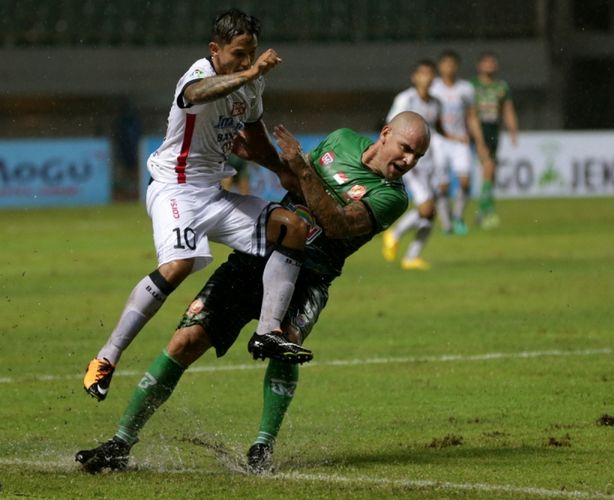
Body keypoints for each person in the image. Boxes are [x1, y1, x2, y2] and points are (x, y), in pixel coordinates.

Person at [75, 112, 431, 474]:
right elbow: (293, 180)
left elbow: (338, 225)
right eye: (406, 150)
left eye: (418, 157)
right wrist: (264, 158)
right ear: (385, 134)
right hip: (259, 255)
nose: (409, 162)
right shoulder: (341, 139)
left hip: (311, 278)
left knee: (285, 344)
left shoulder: (392, 197)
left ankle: (262, 448)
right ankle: (120, 443)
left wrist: (304, 171)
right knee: (185, 340)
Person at [83, 8, 312, 402]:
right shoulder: (199, 75)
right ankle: (106, 357)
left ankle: (267, 334)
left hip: (212, 193)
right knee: (179, 264)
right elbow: (195, 96)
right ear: (215, 50)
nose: (245, 60)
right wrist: (250, 73)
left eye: (251, 53)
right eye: (238, 53)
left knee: (292, 228)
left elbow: (255, 138)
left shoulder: (251, 85)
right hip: (174, 189)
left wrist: (280, 171)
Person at [382, 60, 445, 271]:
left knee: (431, 213)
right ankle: (395, 234)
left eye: (430, 74)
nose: (426, 78)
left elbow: (436, 132)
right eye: (422, 74)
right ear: (415, 77)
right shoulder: (405, 99)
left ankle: (412, 257)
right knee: (426, 208)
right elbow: (391, 127)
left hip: (430, 162)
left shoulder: (436, 103)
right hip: (410, 163)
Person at [430, 50, 490, 235]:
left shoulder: (465, 89)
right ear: (440, 66)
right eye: (445, 63)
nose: (449, 67)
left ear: (457, 66)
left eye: (452, 64)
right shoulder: (433, 88)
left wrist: (479, 142)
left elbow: (472, 117)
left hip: (461, 140)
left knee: (465, 182)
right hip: (438, 141)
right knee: (443, 186)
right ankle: (447, 224)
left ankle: (457, 217)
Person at [472, 52, 519, 229]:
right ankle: (487, 211)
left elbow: (508, 109)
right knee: (488, 167)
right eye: (486, 62)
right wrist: (475, 137)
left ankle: (482, 211)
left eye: (493, 62)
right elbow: (469, 112)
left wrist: (513, 130)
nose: (490, 65)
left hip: (493, 129)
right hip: (478, 129)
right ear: (479, 66)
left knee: (491, 171)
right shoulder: (472, 86)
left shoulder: (501, 87)